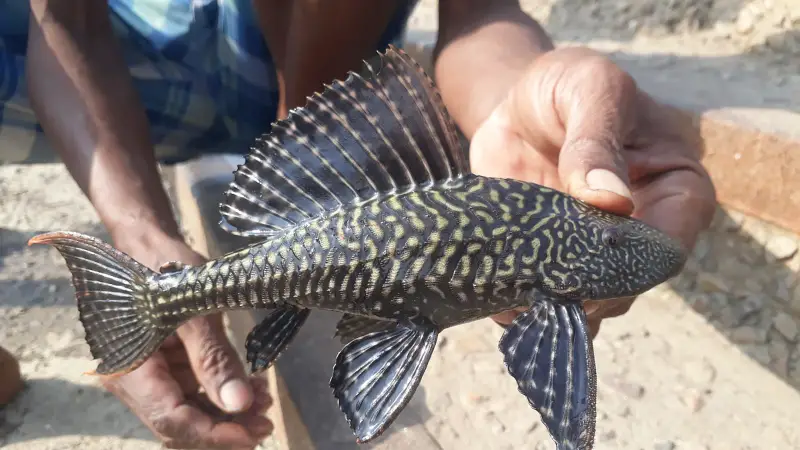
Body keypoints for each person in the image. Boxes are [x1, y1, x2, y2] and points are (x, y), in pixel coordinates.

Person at [0, 0, 716, 448]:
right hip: (110, 54)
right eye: (612, 237)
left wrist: (517, 95)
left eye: (612, 235)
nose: (618, 235)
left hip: (295, 86)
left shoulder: (557, 252)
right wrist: (133, 224)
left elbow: (478, 12)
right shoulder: (557, 289)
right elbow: (60, 17)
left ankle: (288, 116)